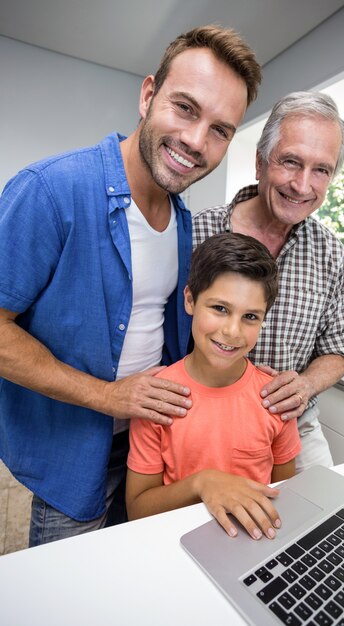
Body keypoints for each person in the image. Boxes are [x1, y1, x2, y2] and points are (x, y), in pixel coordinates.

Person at [0, 25, 262, 545]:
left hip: (152, 445)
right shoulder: (50, 191)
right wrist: (109, 396)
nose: (195, 141)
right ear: (148, 95)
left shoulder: (182, 217)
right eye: (185, 108)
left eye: (219, 129)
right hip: (75, 448)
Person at [193, 92, 344, 473]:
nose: (302, 186)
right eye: (290, 162)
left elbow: (339, 348)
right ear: (259, 162)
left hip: (291, 420)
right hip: (202, 411)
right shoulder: (194, 231)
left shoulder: (330, 253)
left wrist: (304, 386)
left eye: (321, 170)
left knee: (325, 519)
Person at [126, 232, 301, 540]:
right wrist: (202, 483)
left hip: (254, 544)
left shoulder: (274, 397)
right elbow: (137, 510)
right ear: (190, 300)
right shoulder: (158, 395)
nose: (232, 330)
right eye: (219, 308)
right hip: (174, 542)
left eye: (250, 317)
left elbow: (285, 494)